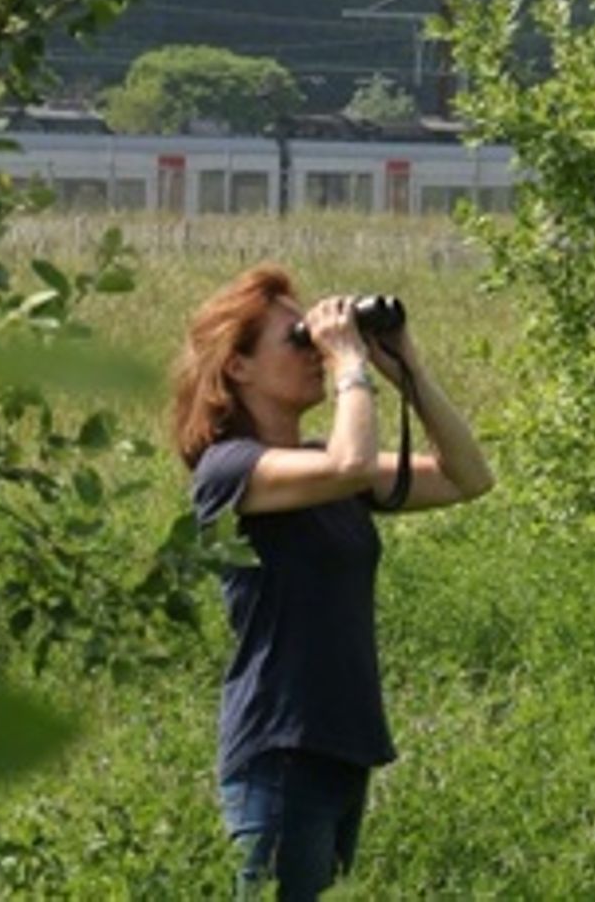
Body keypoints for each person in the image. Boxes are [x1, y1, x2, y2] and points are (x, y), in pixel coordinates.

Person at [169, 264, 494, 900]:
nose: (316, 349)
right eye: (297, 338)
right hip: (280, 747)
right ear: (238, 368)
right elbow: (350, 465)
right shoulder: (228, 471)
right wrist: (350, 365)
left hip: (340, 745)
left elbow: (467, 478)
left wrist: (411, 373)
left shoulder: (326, 464)